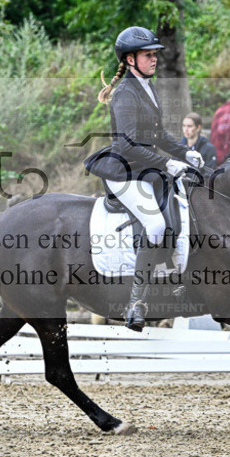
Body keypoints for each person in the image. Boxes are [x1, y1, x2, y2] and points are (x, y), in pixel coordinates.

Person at [84, 26, 205, 331]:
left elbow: (158, 134)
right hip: (123, 170)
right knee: (155, 224)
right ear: (130, 58)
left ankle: (175, 282)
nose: (154, 59)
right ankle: (136, 304)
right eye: (148, 54)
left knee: (181, 207)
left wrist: (185, 153)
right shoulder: (125, 93)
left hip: (145, 168)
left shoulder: (147, 87)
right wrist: (167, 162)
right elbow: (125, 145)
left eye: (155, 54)